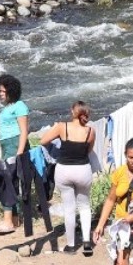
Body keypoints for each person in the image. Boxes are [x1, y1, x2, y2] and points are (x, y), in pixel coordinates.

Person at [40, 100, 95, 255]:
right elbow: (89, 151)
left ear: (72, 112)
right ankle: (86, 243)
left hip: (64, 170)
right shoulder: (90, 131)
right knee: (84, 206)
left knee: (69, 208)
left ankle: (71, 246)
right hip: (83, 170)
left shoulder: (61, 127)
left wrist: (58, 146)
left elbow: (43, 141)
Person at [0, 74, 29, 235]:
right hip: (7, 146)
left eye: (3, 90)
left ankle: (8, 221)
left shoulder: (20, 106)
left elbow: (23, 131)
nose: (0, 93)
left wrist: (20, 152)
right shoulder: (6, 108)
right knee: (11, 181)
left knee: (7, 180)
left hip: (15, 145)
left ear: (11, 90)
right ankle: (15, 220)